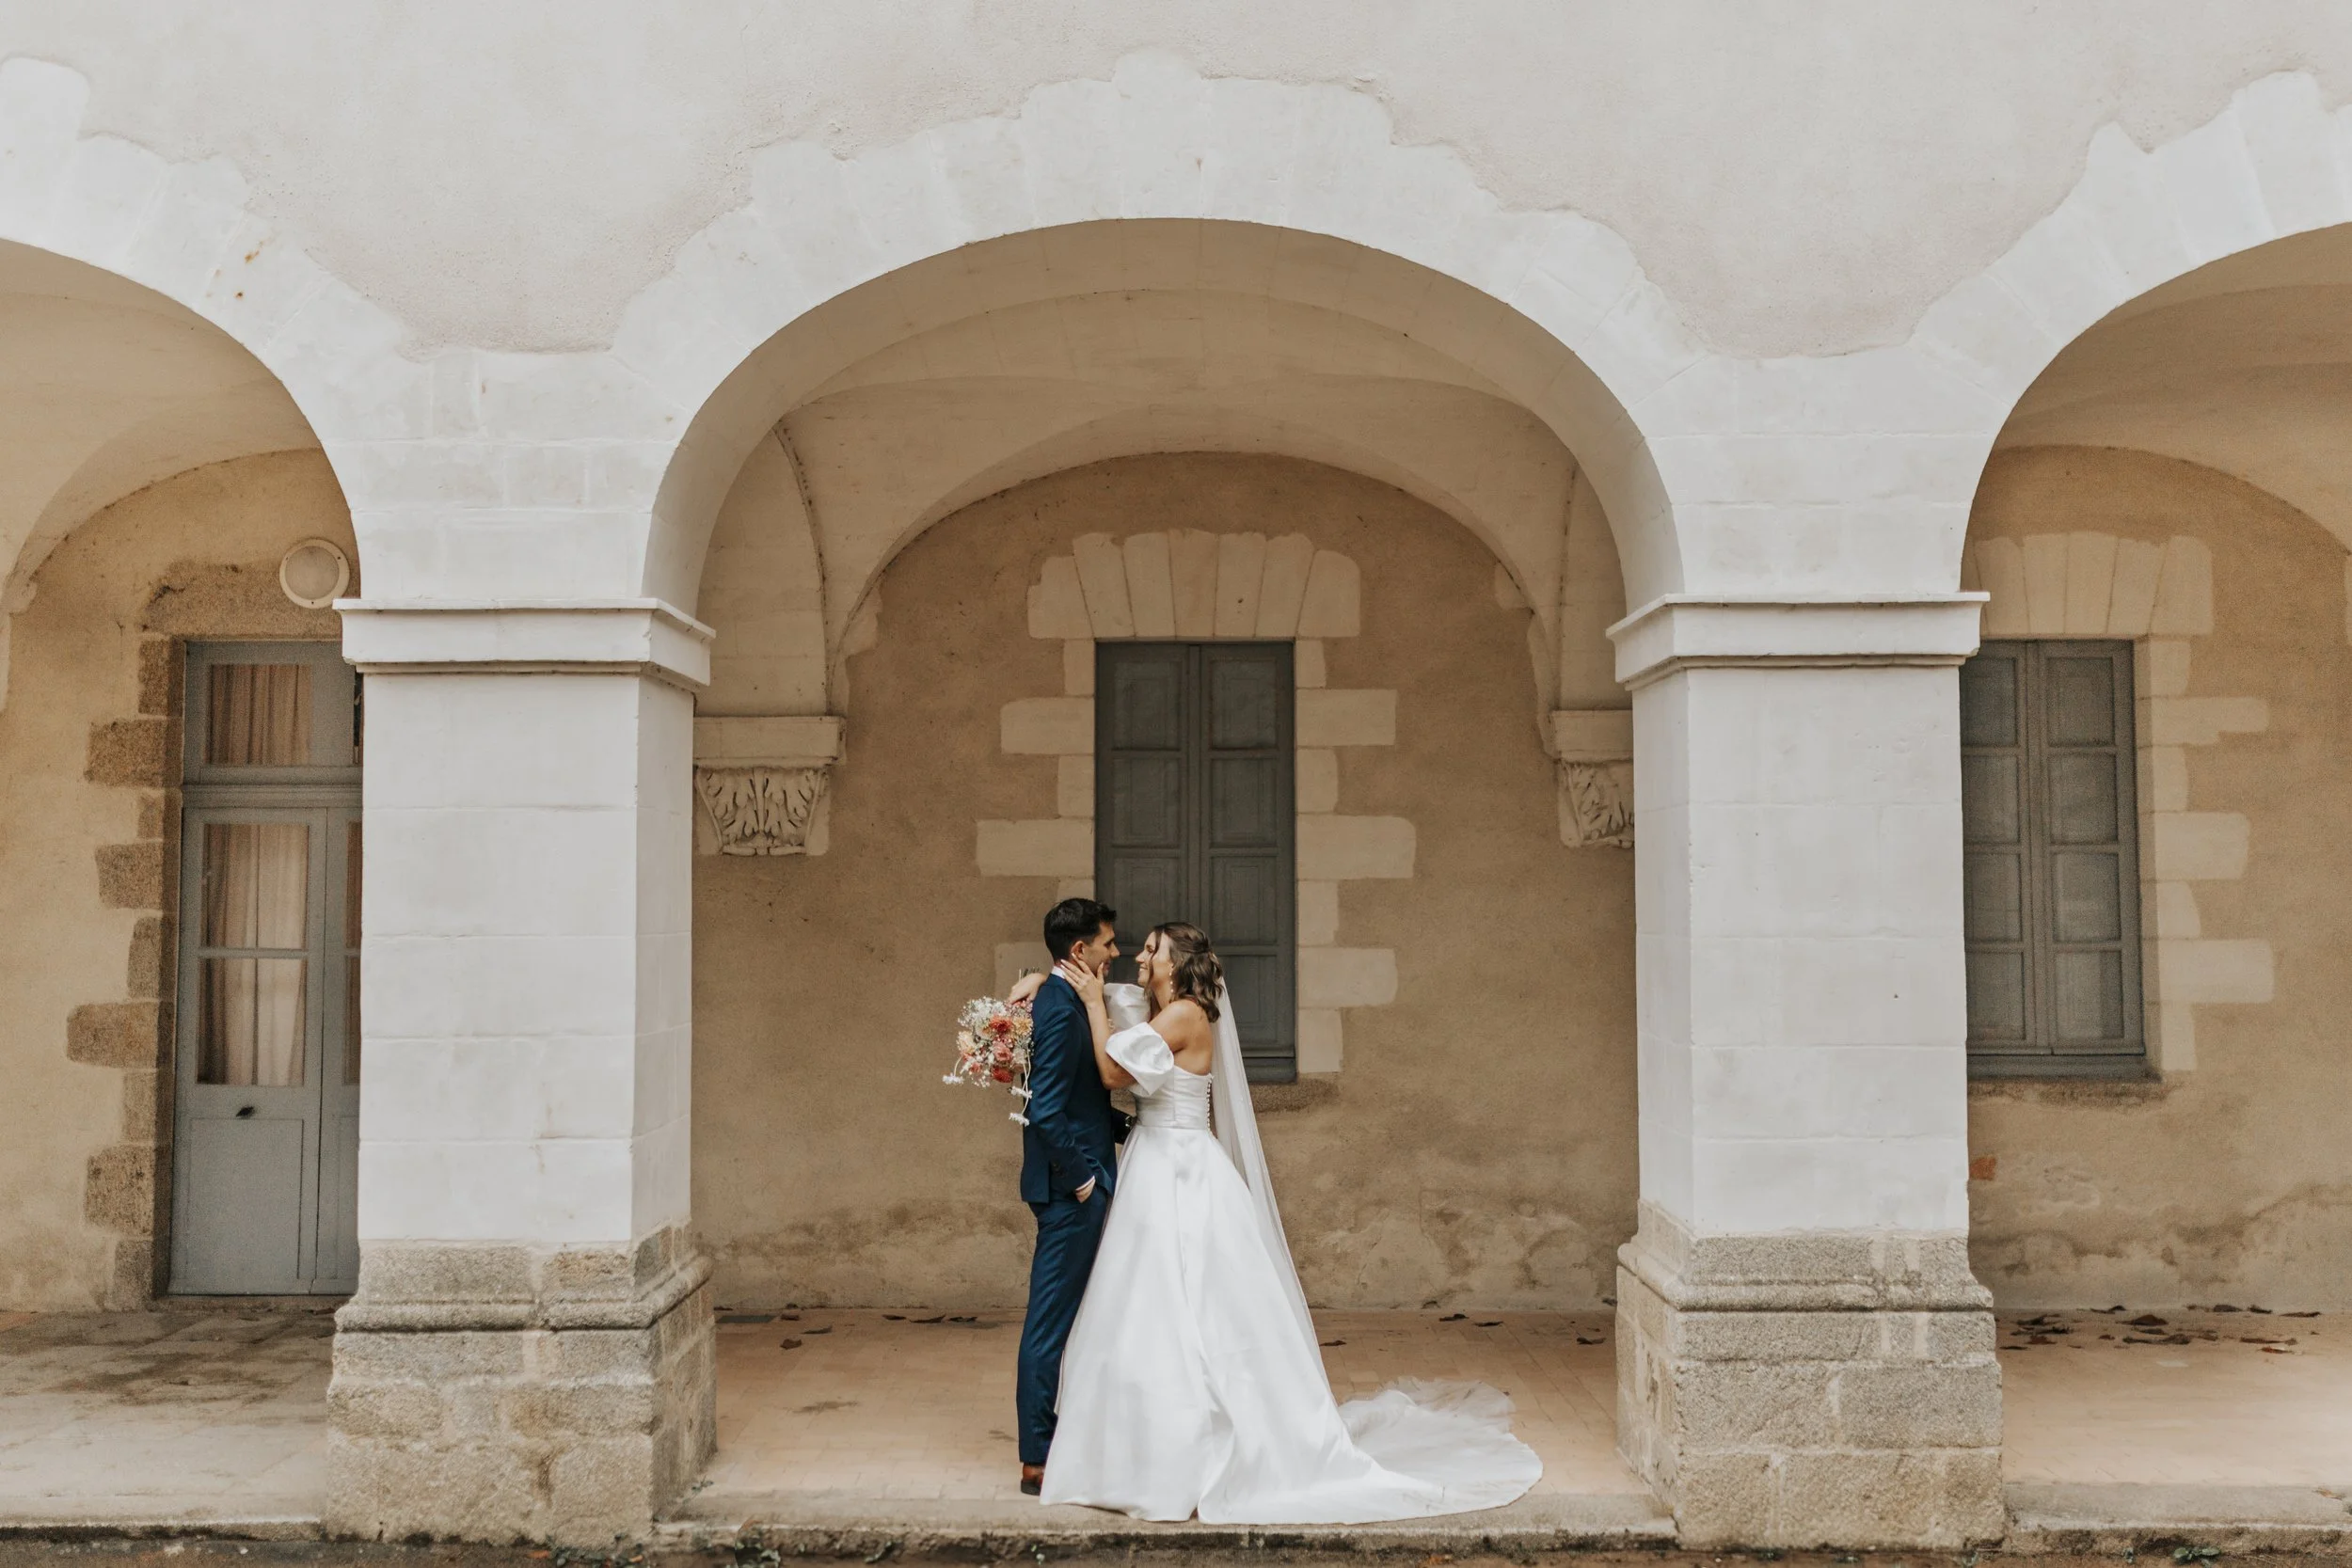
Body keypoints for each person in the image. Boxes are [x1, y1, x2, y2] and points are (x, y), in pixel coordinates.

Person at [1026, 920, 1542, 1523]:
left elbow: (1115, 1071)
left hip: (1181, 1170)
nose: (1138, 957)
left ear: (1178, 963)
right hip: (1154, 1163)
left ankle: (1199, 1451)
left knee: (1193, 1303)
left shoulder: (1187, 1015)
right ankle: (1139, 1446)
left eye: (1150, 951)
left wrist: (1091, 1002)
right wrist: (1043, 982)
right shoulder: (1157, 1008)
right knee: (1146, 1305)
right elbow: (1102, 1005)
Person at [1009, 896, 1123, 1497]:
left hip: (1081, 1176)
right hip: (1069, 1191)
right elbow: (1046, 1110)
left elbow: (1082, 1097)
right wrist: (1084, 1179)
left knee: (1075, 1316)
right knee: (1049, 1322)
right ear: (1079, 951)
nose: (1117, 952)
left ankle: (1070, 1433)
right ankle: (1037, 1458)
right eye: (1108, 943)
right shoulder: (1056, 1008)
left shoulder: (1058, 995)